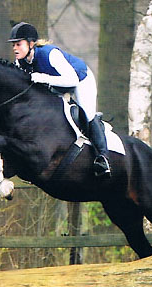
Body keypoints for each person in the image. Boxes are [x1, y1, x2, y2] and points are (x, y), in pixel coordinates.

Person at [8, 22, 111, 177]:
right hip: (56, 85)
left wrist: (42, 78)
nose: (15, 49)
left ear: (30, 44)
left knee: (87, 114)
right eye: (13, 45)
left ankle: (103, 157)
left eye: (18, 44)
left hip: (80, 79)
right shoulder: (20, 62)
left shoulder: (50, 54)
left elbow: (72, 80)